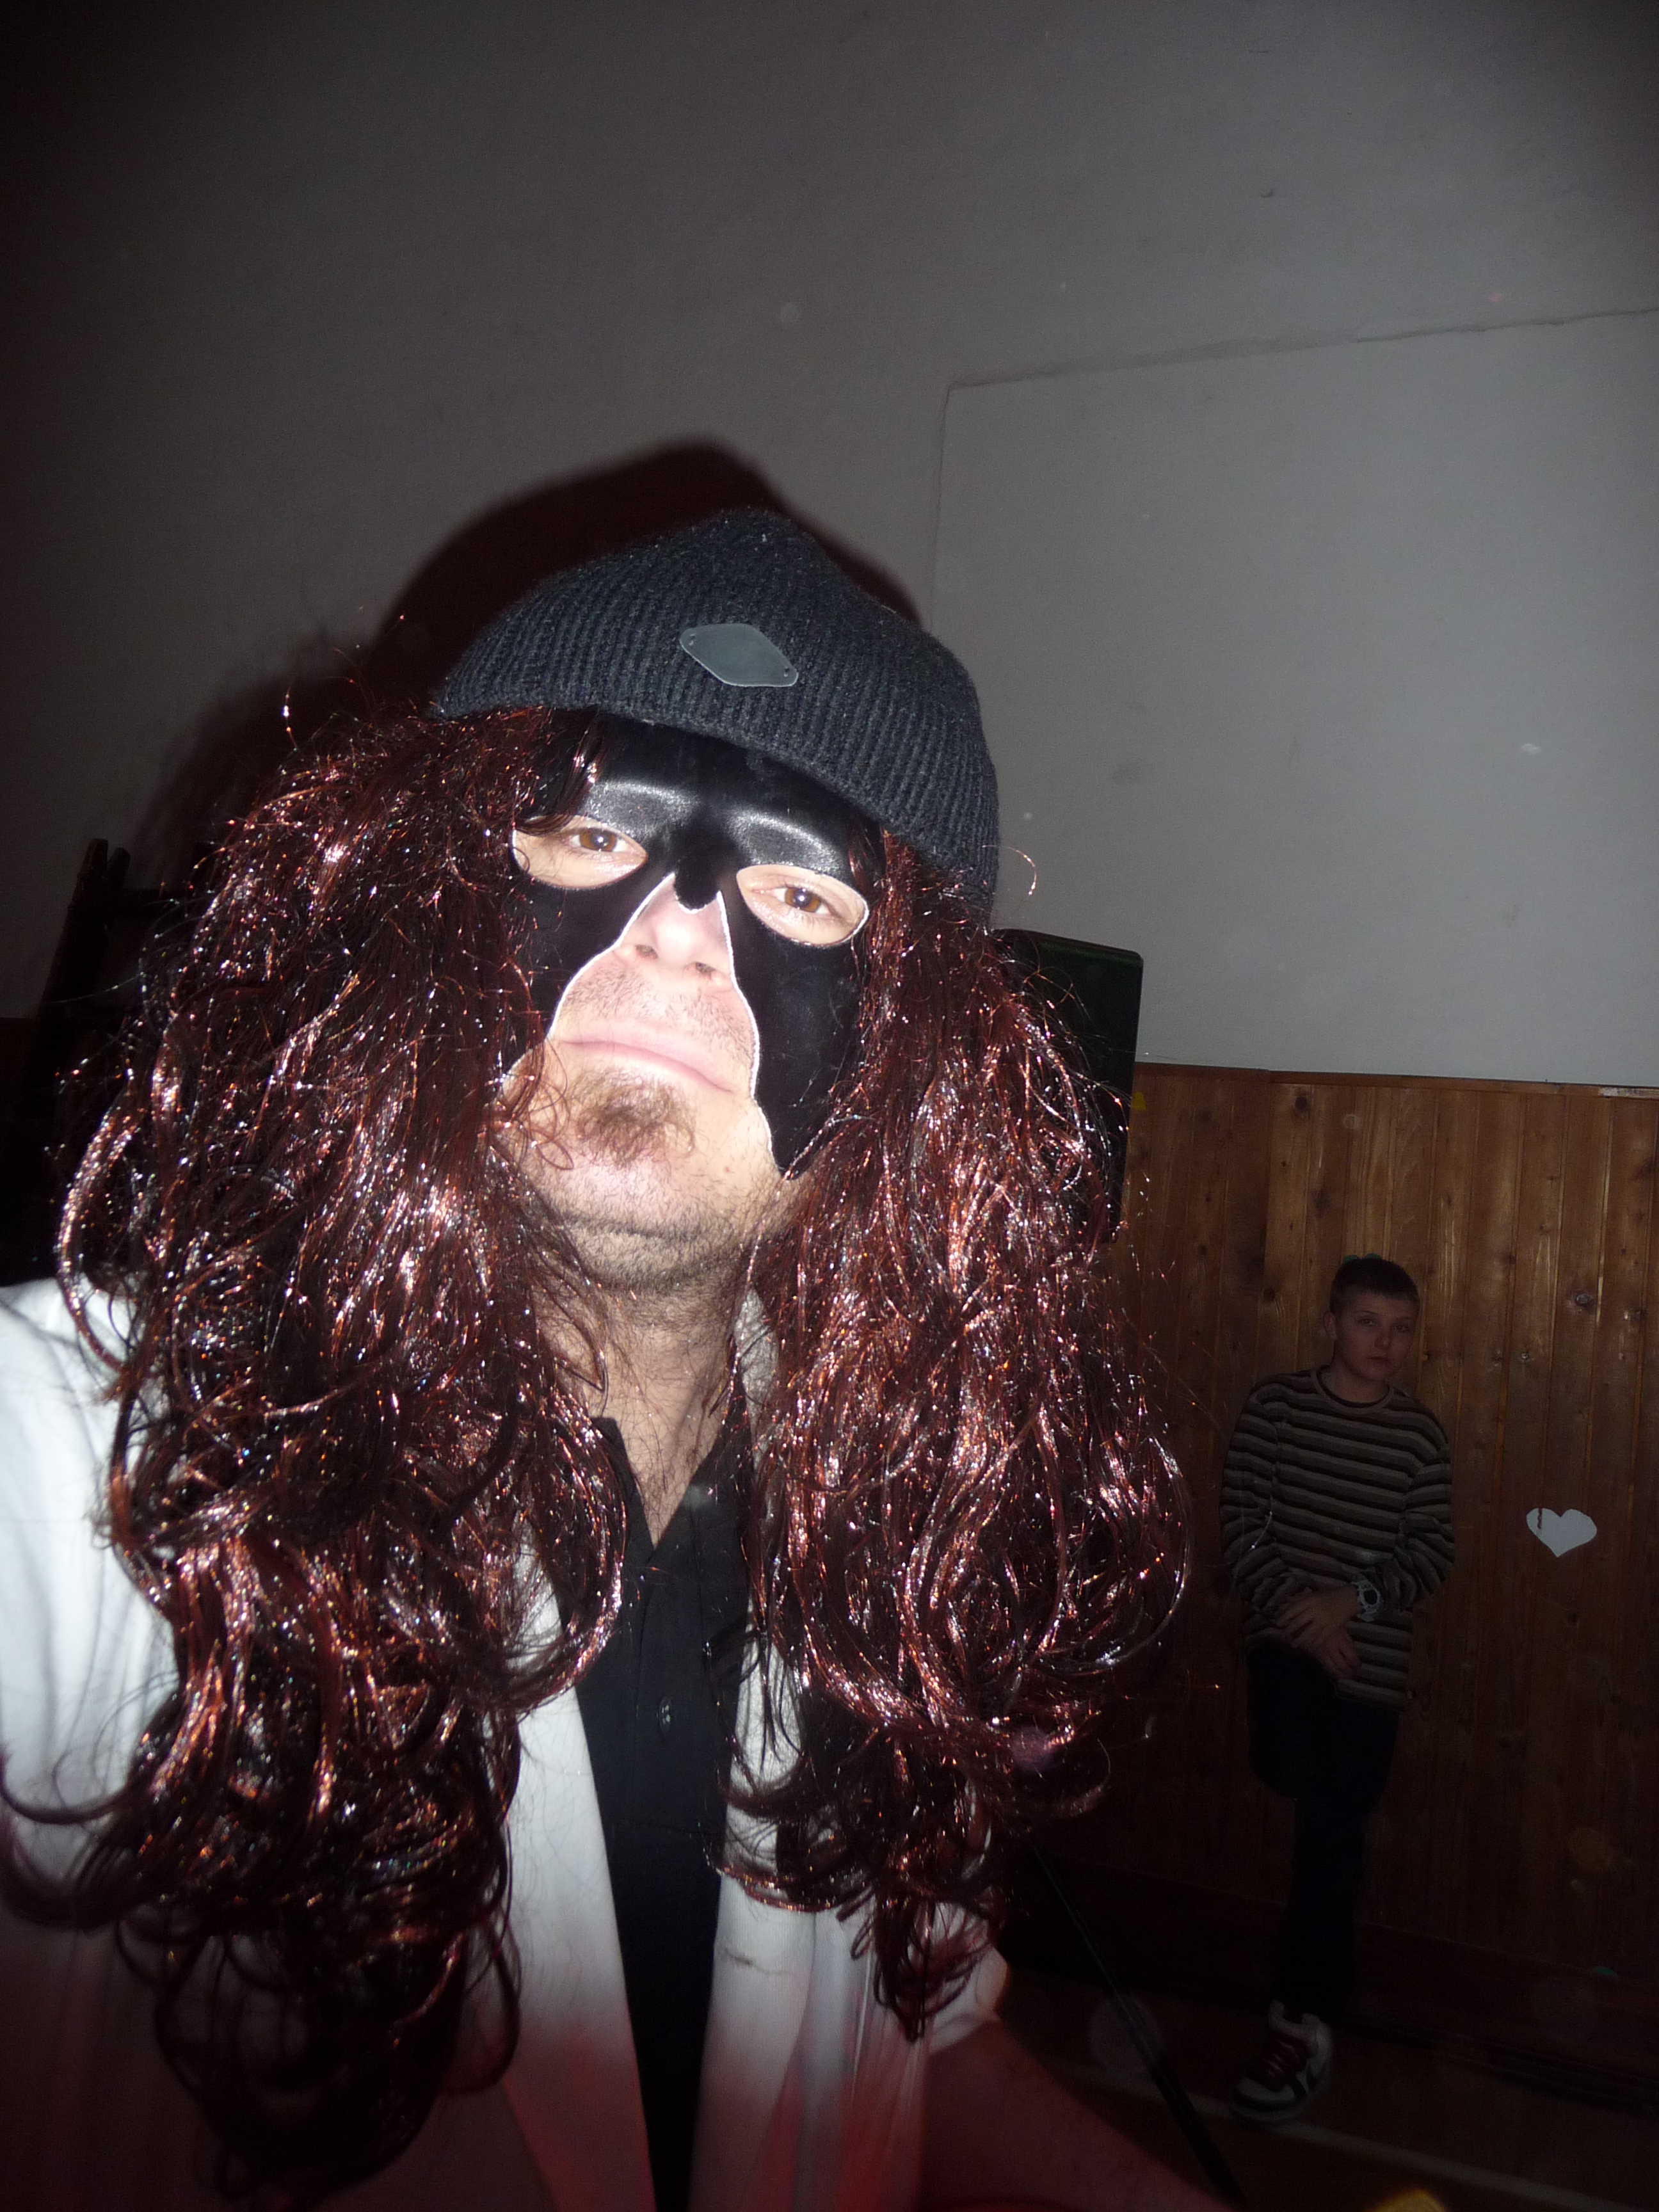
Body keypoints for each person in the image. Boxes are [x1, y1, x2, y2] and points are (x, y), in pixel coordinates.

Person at [0, 511, 1217, 2210]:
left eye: (801, 890)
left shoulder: (884, 1548)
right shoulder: (80, 1467)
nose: (678, 928)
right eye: (589, 834)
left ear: (908, 1070)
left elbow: (907, 2057)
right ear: (426, 913)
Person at [1219, 1253, 1455, 2124]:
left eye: (1401, 1329)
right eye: (1367, 1323)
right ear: (1330, 1324)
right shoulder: (1276, 1408)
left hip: (1369, 1674)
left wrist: (1347, 1604)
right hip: (1287, 1652)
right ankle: (1307, 2002)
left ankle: (1302, 2024)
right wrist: (1305, 1619)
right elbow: (1241, 1526)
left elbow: (1431, 1553)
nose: (1385, 1343)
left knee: (1332, 1844)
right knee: (1292, 1786)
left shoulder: (1421, 1437)